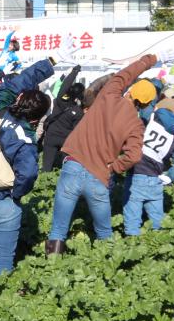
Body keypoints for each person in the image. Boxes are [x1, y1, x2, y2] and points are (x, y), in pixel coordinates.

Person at [0, 39, 77, 275]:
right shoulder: (26, 138)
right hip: (2, 202)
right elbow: (28, 174)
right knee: (3, 265)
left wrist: (52, 60)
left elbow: (23, 79)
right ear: (38, 118)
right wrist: (15, 193)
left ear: (18, 99)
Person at [46, 54, 158, 252]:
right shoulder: (136, 124)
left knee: (58, 229)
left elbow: (125, 75)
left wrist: (148, 60)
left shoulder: (109, 94)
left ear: (131, 91)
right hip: (98, 175)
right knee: (104, 232)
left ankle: (51, 268)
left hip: (72, 165)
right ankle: (103, 268)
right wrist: (113, 167)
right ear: (147, 103)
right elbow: (134, 156)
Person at [122, 97, 174, 235]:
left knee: (132, 225)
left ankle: (133, 252)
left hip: (136, 176)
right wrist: (169, 177)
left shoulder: (149, 116)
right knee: (158, 226)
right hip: (156, 180)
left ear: (157, 108)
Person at [41, 66, 84, 172]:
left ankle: (43, 183)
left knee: (46, 166)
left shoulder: (60, 100)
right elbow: (76, 131)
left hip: (51, 135)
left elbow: (65, 84)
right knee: (65, 167)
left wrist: (74, 72)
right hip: (65, 140)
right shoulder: (78, 112)